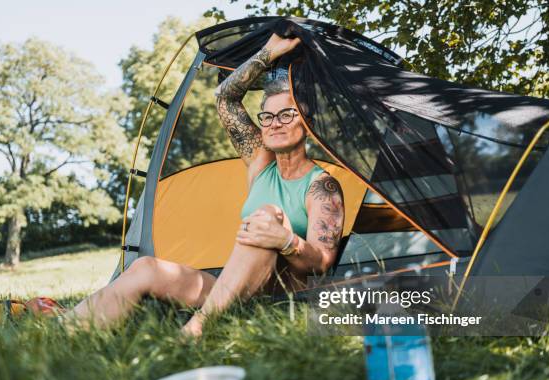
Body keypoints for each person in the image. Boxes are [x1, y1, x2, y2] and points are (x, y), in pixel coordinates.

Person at [64, 34, 345, 337]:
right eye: (267, 116)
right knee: (146, 267)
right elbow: (225, 97)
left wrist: (285, 240)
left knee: (267, 215)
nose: (274, 123)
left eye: (287, 114)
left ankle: (197, 329)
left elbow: (323, 262)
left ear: (306, 121)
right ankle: (60, 330)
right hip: (234, 290)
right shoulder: (261, 165)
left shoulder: (322, 187)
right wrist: (268, 52)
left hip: (279, 300)